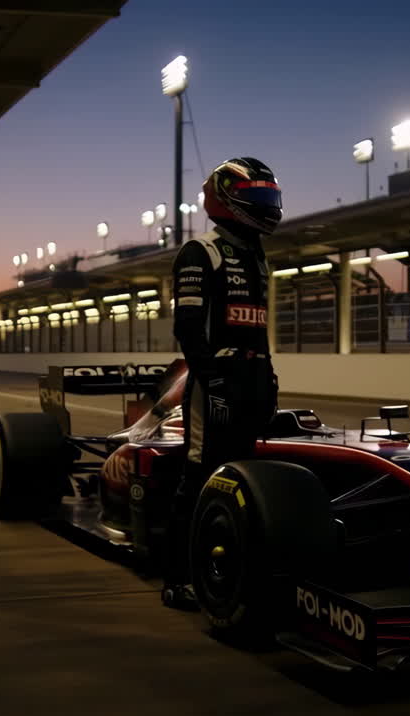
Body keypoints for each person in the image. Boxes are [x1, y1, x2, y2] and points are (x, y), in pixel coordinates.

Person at [162, 157, 282, 608]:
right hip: (214, 382)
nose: (267, 207)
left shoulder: (257, 258)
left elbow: (259, 326)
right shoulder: (201, 252)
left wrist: (268, 371)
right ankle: (176, 578)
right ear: (227, 199)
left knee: (245, 474)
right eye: (257, 198)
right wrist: (210, 379)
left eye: (270, 197)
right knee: (198, 474)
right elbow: (188, 329)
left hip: (253, 379)